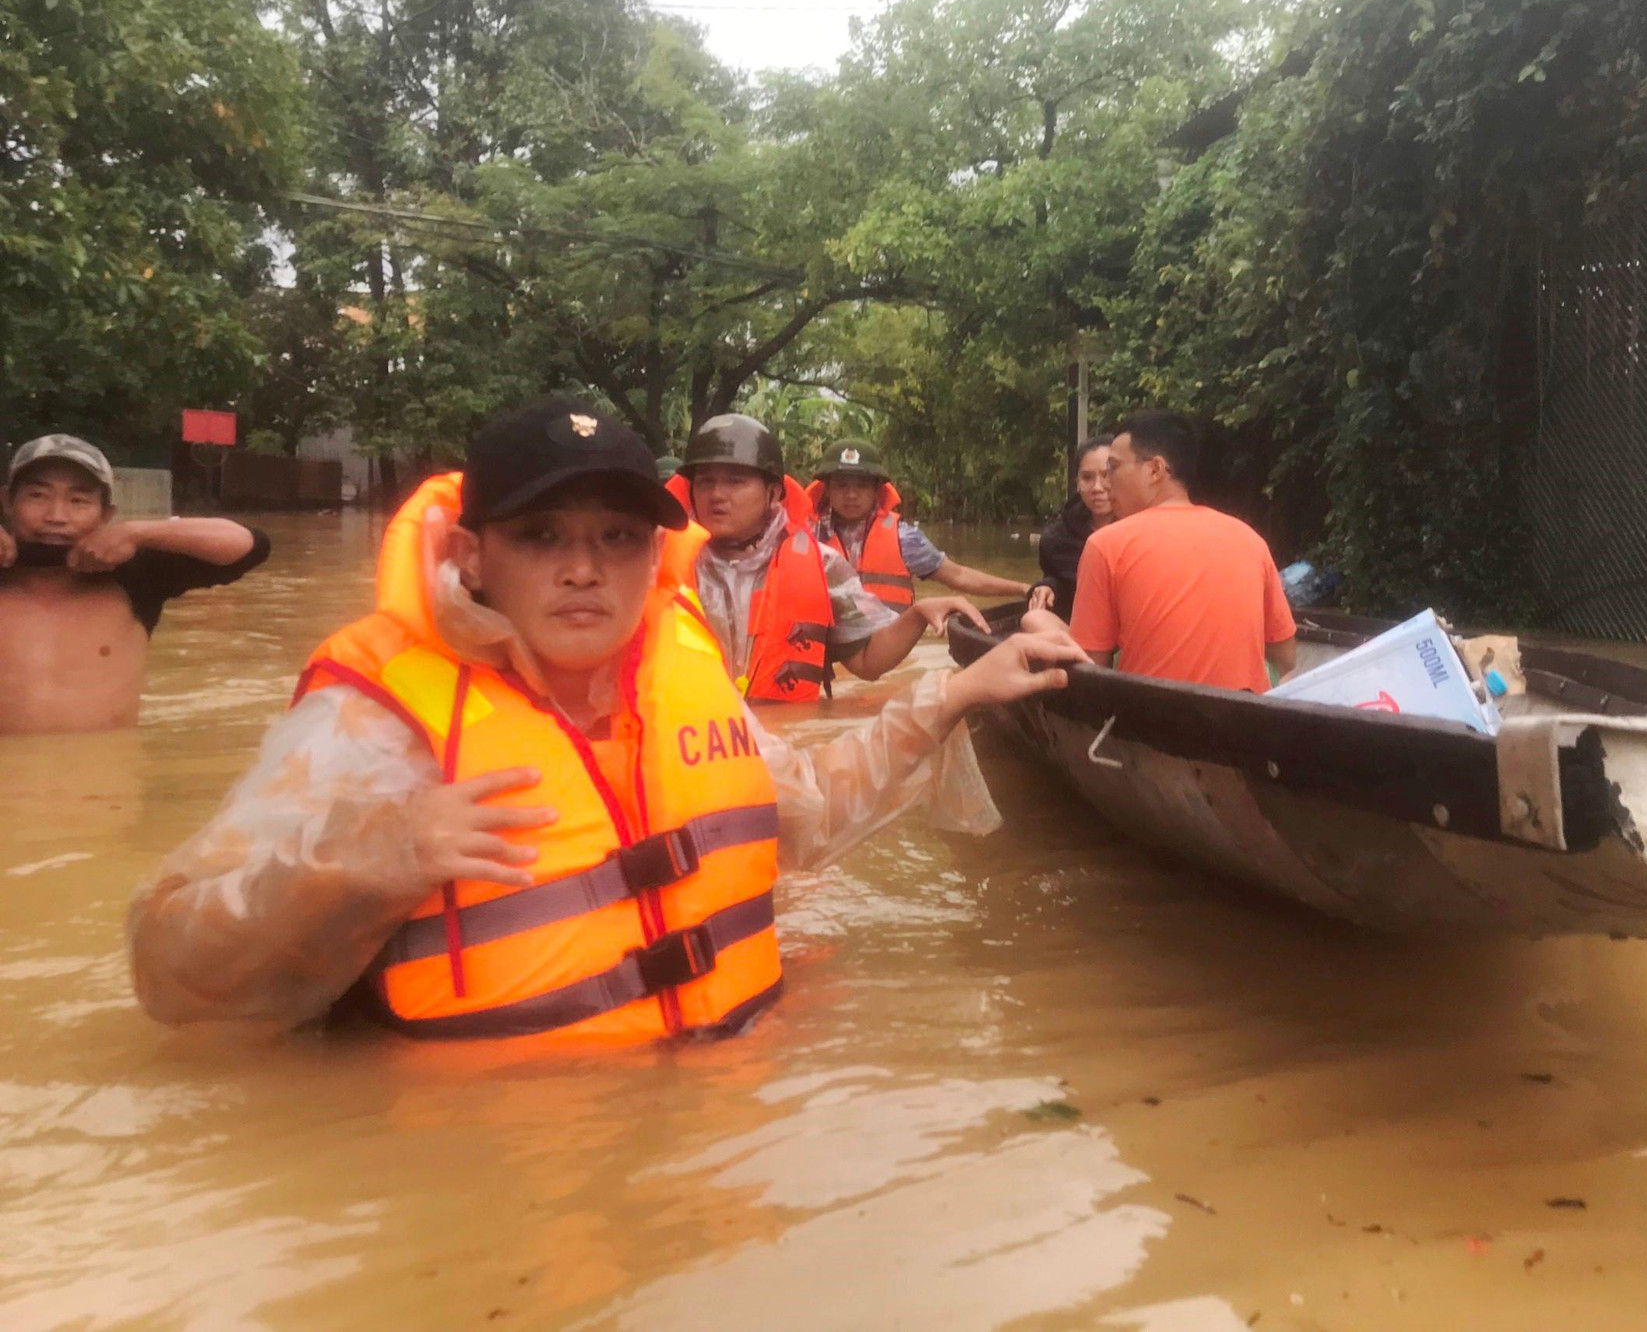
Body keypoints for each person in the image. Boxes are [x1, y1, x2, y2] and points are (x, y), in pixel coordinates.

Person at [125, 396, 1085, 1043]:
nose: (584, 569)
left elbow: (806, 811)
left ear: (653, 555)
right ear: (472, 554)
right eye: (541, 535)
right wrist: (367, 855)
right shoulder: (374, 719)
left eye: (618, 537)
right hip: (502, 1171)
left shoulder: (681, 669)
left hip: (721, 1151)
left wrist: (956, 692)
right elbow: (169, 971)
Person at [667, 417, 990, 703]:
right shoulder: (657, 563)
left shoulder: (823, 564)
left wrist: (918, 615)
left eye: (735, 481)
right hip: (690, 738)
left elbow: (868, 662)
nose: (717, 494)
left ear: (774, 492)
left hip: (784, 737)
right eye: (705, 481)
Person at [0, 434, 270, 736]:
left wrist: (137, 532)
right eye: (37, 496)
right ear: (8, 502)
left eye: (79, 501)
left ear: (106, 515)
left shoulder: (137, 574)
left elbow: (247, 544)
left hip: (104, 764)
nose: (56, 516)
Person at [1067, 412, 1297, 693]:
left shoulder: (1106, 545)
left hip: (1153, 717)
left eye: (1112, 468)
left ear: (1155, 470)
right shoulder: (1250, 539)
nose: (1105, 483)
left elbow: (1088, 670)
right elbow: (1286, 657)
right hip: (1246, 717)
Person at [807, 440, 1029, 609]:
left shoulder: (903, 538)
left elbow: (958, 575)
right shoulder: (805, 537)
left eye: (862, 485)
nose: (851, 495)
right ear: (827, 489)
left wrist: (1023, 589)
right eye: (841, 485)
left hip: (886, 647)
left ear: (877, 489)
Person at [1026, 436, 1114, 619]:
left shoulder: (1145, 529)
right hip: (1080, 626)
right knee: (1034, 619)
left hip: (1133, 625)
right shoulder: (1057, 539)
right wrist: (1047, 587)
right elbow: (1060, 582)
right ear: (1077, 482)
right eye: (1087, 477)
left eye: (1107, 475)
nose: (1097, 488)